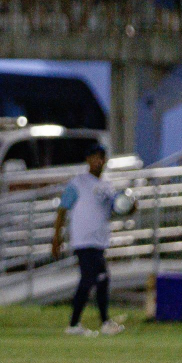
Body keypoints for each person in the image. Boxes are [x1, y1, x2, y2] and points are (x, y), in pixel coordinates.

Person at [51, 143, 132, 337]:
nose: (98, 161)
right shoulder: (78, 183)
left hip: (98, 240)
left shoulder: (107, 186)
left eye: (101, 157)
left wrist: (130, 205)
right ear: (88, 160)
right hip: (83, 239)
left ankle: (99, 322)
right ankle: (77, 324)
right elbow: (63, 208)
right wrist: (57, 236)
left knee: (101, 279)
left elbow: (119, 207)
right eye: (94, 157)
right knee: (90, 279)